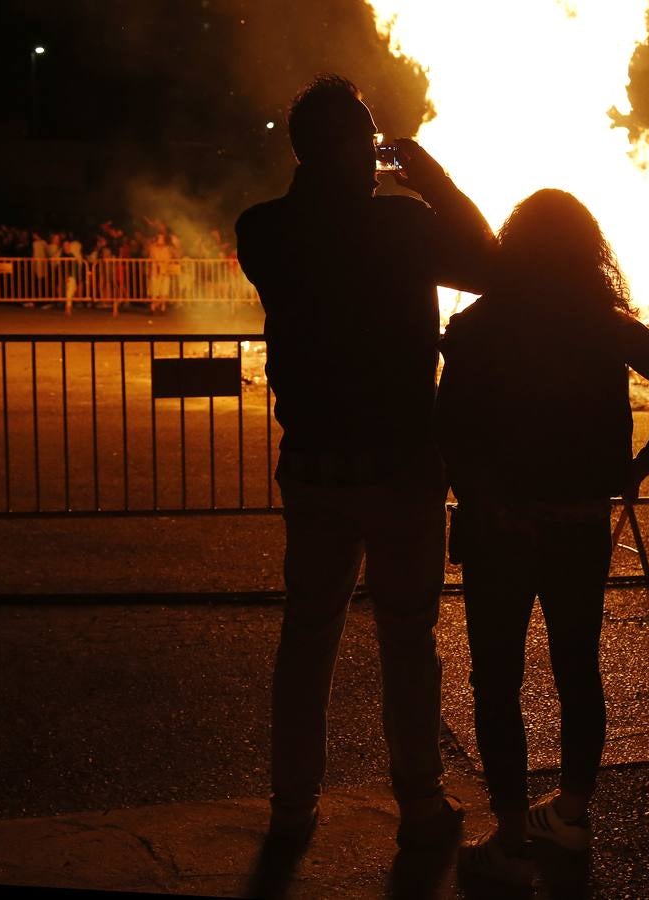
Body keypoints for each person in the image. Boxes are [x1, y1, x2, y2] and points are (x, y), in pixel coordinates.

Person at [235, 74, 494, 852]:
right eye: (369, 135)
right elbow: (489, 264)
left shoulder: (263, 230)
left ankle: (292, 805)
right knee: (407, 639)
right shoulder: (406, 223)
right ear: (355, 145)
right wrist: (431, 178)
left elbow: (310, 234)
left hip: (314, 465)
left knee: (307, 634)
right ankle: (418, 800)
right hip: (405, 462)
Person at [436, 189, 649, 887]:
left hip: (500, 525)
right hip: (580, 522)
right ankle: (571, 814)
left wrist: (481, 495)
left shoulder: (480, 324)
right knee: (576, 668)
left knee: (497, 679)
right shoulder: (602, 324)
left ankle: (509, 834)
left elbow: (451, 428)